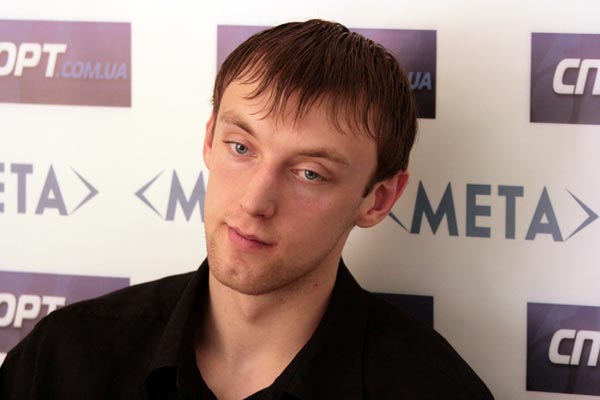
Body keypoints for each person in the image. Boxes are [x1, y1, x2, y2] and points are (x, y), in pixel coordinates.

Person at [0, 19, 494, 399]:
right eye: (241, 148)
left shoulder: (435, 391)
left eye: (310, 173)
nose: (255, 201)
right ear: (209, 140)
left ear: (378, 199)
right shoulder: (62, 358)